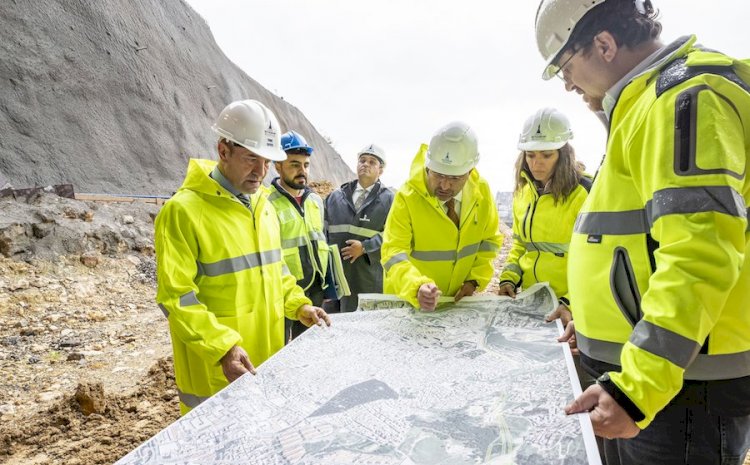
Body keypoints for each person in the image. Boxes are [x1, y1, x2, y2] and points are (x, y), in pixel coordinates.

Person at [535, 0, 750, 463]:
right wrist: (592, 323)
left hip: (680, 393)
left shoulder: (684, 99)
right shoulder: (645, 105)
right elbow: (630, 245)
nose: (569, 84)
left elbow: (698, 256)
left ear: (604, 45)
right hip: (649, 378)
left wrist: (637, 389)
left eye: (565, 68)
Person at [154, 100, 330, 414]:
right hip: (217, 373)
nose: (261, 172)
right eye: (252, 158)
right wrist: (222, 348)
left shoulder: (263, 206)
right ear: (223, 151)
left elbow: (276, 272)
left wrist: (299, 304)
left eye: (267, 162)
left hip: (266, 361)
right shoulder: (183, 211)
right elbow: (175, 297)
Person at [381, 122, 503, 311]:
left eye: (455, 178)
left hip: (455, 303)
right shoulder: (407, 198)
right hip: (409, 303)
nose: (445, 186)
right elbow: (393, 253)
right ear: (428, 167)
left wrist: (474, 280)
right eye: (438, 175)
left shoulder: (482, 193)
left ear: (470, 172)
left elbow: (489, 243)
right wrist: (416, 287)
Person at [497, 107, 591, 326]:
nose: (536, 163)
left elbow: (599, 260)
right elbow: (521, 246)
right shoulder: (523, 192)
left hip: (572, 309)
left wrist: (571, 303)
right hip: (531, 302)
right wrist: (508, 279)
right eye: (530, 155)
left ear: (563, 154)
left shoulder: (586, 192)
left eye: (546, 155)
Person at [268, 130, 334, 341]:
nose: (302, 171)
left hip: (314, 286)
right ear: (278, 165)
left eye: (305, 165)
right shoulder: (268, 204)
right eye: (295, 164)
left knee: (308, 344)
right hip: (284, 287)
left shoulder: (315, 201)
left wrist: (328, 285)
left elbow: (321, 241)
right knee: (279, 345)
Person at [324, 144, 395, 313]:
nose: (365, 164)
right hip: (336, 276)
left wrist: (364, 247)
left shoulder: (390, 200)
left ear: (381, 170)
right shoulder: (335, 197)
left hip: (367, 277)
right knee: (333, 326)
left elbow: (394, 235)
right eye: (362, 160)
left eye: (372, 162)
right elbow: (323, 232)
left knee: (363, 327)